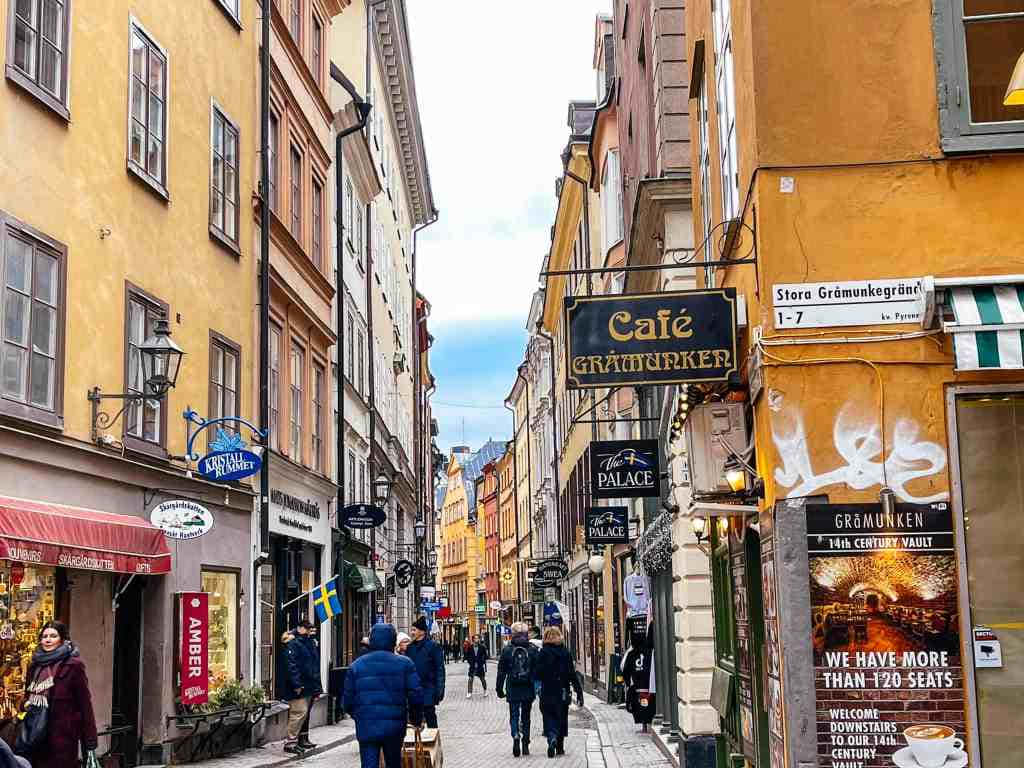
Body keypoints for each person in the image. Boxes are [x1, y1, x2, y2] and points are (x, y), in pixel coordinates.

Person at [14, 621, 97, 768]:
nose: (48, 640)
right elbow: (27, 696)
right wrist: (25, 704)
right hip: (36, 738)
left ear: (62, 639)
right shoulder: (35, 666)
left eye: (53, 636)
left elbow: (85, 705)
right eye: (45, 636)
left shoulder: (73, 666)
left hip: (61, 741)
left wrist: (90, 744)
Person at [343, 623, 423, 768]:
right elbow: (416, 695)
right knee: (393, 763)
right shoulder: (405, 664)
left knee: (368, 764)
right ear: (393, 641)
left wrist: (360, 715)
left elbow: (347, 701)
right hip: (394, 727)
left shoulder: (356, 666)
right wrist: (415, 719)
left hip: (367, 726)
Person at [535, 626, 583, 758]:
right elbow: (572, 674)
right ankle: (560, 747)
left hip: (547, 690)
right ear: (559, 637)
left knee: (548, 716)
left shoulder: (543, 652)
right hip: (562, 690)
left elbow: (537, 673)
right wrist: (579, 691)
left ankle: (551, 738)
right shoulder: (565, 652)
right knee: (561, 717)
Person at [496, 622, 538, 757]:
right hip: (527, 686)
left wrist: (499, 689)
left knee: (514, 714)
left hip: (513, 686)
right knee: (526, 716)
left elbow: (501, 671)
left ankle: (515, 734)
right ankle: (525, 744)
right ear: (526, 634)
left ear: (512, 634)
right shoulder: (532, 649)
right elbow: (537, 670)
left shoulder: (507, 650)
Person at [281, 620, 323, 754]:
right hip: (299, 686)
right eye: (306, 628)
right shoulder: (293, 643)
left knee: (303, 713)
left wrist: (317, 688)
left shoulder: (309, 643)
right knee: (299, 712)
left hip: (309, 685)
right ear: (299, 628)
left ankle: (299, 740)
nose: (308, 631)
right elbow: (291, 666)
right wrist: (297, 684)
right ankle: (290, 742)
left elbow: (314, 666)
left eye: (309, 628)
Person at [404, 616, 445, 728]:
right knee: (414, 723)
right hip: (413, 691)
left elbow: (440, 669)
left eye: (414, 630)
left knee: (430, 718)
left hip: (428, 689)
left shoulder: (433, 647)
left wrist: (439, 690)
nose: (412, 633)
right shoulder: (409, 648)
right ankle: (417, 744)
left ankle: (433, 742)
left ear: (422, 632)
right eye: (412, 630)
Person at [620, 627, 655, 731]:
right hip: (649, 685)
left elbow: (625, 669)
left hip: (638, 686)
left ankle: (644, 726)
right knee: (649, 705)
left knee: (639, 705)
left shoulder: (631, 654)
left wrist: (627, 682)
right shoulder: (650, 652)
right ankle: (648, 724)